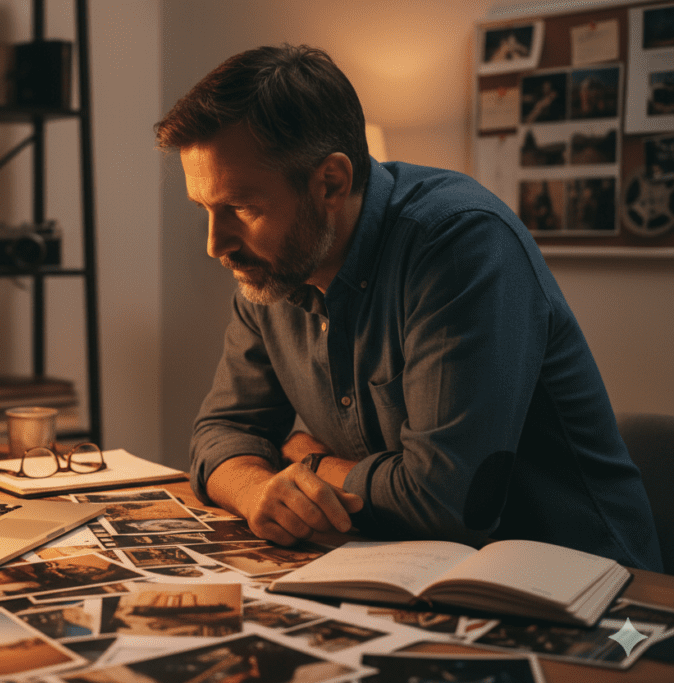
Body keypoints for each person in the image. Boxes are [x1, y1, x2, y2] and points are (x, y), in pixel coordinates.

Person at [154, 44, 662, 571]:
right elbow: (220, 433)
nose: (216, 245)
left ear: (330, 182)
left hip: (593, 593)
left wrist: (310, 461)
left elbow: (446, 504)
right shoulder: (272, 271)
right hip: (406, 573)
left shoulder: (460, 245)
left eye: (241, 208)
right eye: (206, 210)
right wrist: (258, 489)